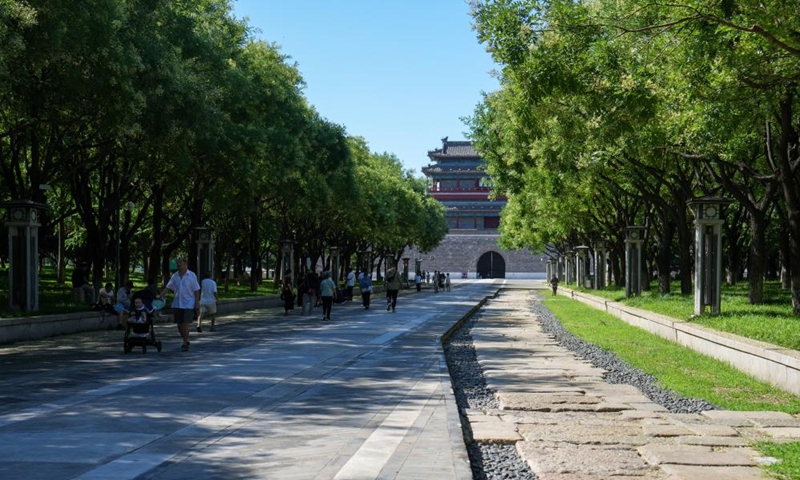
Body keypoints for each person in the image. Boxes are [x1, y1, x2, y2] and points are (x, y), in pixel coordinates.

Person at [160, 258, 201, 352]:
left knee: (186, 323)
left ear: (185, 263)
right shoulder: (175, 276)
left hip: (188, 303)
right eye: (177, 263)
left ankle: (185, 342)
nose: (179, 264)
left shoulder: (191, 275)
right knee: (179, 325)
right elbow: (168, 287)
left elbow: (196, 290)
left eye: (180, 262)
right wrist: (160, 295)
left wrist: (197, 303)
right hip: (178, 302)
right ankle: (186, 338)